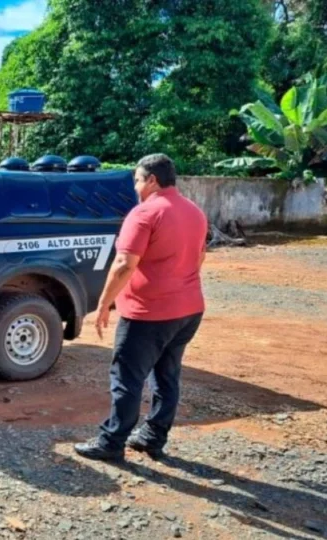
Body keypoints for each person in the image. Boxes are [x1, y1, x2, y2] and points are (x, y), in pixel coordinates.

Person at [75, 154, 207, 461]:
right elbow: (200, 257)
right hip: (188, 310)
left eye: (137, 179)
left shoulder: (144, 213)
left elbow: (123, 264)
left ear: (151, 180)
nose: (135, 186)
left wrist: (105, 302)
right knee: (167, 375)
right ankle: (152, 437)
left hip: (149, 313)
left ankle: (112, 442)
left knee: (127, 377)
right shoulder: (195, 212)